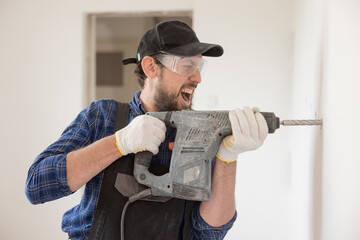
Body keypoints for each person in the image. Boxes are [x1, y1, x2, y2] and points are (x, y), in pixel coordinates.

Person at [25, 20, 268, 240]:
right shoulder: (102, 116)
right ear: (151, 67)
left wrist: (228, 158)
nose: (197, 78)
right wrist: (120, 142)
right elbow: (37, 186)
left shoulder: (201, 134)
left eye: (199, 67)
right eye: (187, 65)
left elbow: (208, 233)